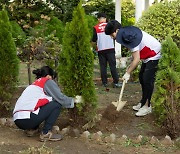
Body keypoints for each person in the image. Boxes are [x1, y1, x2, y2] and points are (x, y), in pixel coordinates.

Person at [105, 20, 161, 116]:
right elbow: (135, 54)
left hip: (154, 53)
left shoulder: (129, 36)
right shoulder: (126, 34)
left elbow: (136, 59)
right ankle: (143, 102)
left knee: (147, 79)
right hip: (147, 56)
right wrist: (129, 66)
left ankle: (147, 106)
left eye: (111, 34)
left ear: (117, 30)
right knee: (141, 77)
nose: (111, 37)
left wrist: (128, 72)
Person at [13, 66, 82, 141]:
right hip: (29, 119)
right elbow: (60, 98)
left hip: (18, 120)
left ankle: (32, 129)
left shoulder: (33, 85)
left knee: (41, 105)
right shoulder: (47, 81)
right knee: (56, 104)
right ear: (49, 76)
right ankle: (45, 133)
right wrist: (76, 100)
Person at [92, 13, 121, 88]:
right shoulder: (110, 26)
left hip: (101, 50)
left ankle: (104, 82)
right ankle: (116, 82)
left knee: (103, 66)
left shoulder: (96, 27)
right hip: (110, 48)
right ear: (105, 18)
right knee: (112, 66)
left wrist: (94, 46)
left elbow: (94, 39)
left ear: (98, 19)